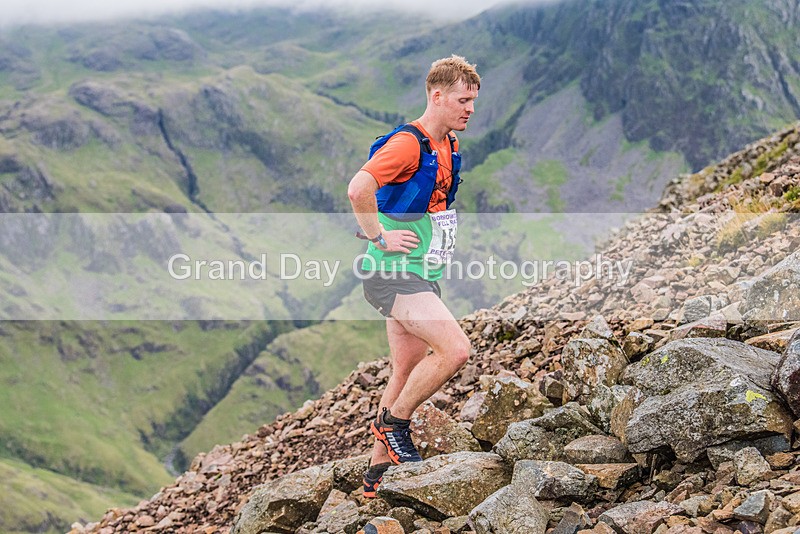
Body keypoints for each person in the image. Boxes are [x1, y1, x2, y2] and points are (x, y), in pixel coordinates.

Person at [347, 55, 480, 498]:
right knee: (456, 350)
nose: (470, 109)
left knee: (404, 368)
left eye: (474, 101)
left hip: (422, 270)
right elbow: (358, 188)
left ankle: (374, 478)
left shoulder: (450, 145)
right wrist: (378, 235)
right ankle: (394, 423)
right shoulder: (409, 144)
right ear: (436, 95)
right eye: (463, 100)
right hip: (392, 273)